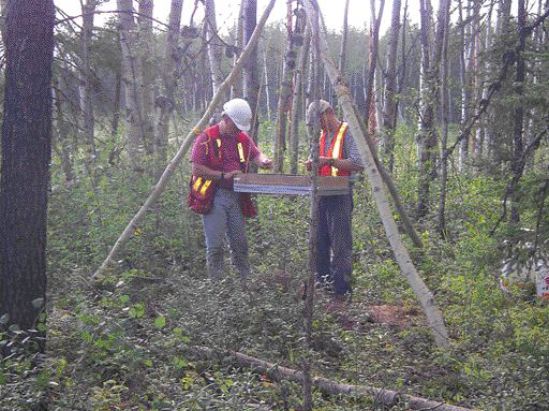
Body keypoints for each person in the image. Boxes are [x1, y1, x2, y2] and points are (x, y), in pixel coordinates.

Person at [189, 98, 272, 281]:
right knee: (215, 245)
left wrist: (264, 161)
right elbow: (196, 168)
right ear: (225, 119)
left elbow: (256, 154)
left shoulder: (241, 137)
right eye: (235, 126)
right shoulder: (206, 138)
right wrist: (221, 175)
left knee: (240, 243)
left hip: (236, 197)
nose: (238, 130)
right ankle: (217, 287)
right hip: (214, 197)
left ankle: (245, 282)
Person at [305, 99, 364, 301]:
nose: (320, 127)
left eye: (320, 122)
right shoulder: (322, 136)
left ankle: (342, 291)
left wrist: (329, 161)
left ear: (329, 113)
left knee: (341, 245)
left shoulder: (347, 132)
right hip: (321, 196)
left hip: (340, 196)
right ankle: (323, 287)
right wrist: (311, 163)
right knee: (319, 243)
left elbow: (358, 163)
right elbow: (317, 160)